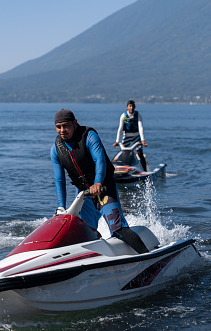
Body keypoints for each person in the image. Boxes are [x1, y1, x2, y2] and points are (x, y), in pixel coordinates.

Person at [51, 109, 149, 254]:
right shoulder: (56, 149)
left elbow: (100, 161)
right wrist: (61, 207)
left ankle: (147, 256)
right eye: (58, 127)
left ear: (75, 123)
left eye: (66, 126)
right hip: (84, 193)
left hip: (103, 187)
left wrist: (97, 182)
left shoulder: (89, 136)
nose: (62, 130)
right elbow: (59, 179)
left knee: (119, 229)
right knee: (84, 233)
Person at [113, 100, 148, 171]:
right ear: (127, 107)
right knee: (124, 153)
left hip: (136, 137)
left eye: (133, 106)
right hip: (126, 137)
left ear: (135, 107)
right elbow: (120, 128)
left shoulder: (138, 115)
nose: (131, 108)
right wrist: (117, 141)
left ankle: (145, 171)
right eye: (130, 106)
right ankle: (123, 170)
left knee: (140, 154)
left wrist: (142, 140)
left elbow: (140, 127)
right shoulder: (123, 116)